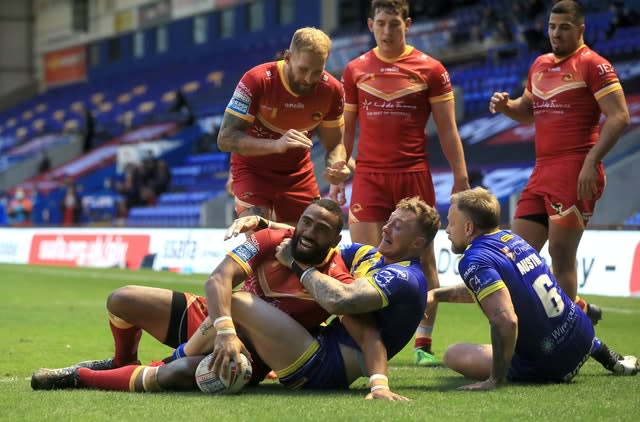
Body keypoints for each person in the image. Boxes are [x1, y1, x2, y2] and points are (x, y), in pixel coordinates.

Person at [32, 197, 441, 400]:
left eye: (320, 230)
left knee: (178, 374)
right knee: (122, 298)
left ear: (334, 241)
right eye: (305, 222)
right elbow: (219, 278)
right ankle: (124, 361)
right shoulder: (271, 237)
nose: (308, 232)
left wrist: (379, 382)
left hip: (255, 349)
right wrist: (224, 326)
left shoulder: (337, 276)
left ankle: (81, 377)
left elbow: (358, 322)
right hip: (216, 323)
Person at [335, 0, 470, 366]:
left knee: (424, 261)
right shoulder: (355, 69)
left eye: (394, 23)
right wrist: (339, 170)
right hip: (369, 177)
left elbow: (447, 129)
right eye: (381, 23)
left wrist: (460, 176)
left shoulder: (431, 69)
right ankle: (370, 342)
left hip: (413, 175)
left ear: (407, 24)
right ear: (370, 24)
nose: (388, 30)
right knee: (363, 260)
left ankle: (423, 345)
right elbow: (346, 133)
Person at [488, 0, 631, 324]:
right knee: (515, 256)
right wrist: (507, 106)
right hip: (542, 170)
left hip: (575, 167)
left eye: (564, 27)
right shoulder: (539, 64)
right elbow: (527, 109)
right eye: (552, 27)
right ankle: (576, 312)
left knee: (561, 257)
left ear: (580, 29)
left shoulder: (593, 64)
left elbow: (619, 117)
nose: (556, 33)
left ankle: (569, 337)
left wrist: (591, 162)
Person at [429, 187, 638, 390]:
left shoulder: (474, 259)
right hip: (584, 335)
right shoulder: (514, 239)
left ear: (468, 228)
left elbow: (507, 321)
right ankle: (604, 353)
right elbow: (485, 290)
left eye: (450, 223)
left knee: (453, 354)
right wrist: (436, 295)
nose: (447, 229)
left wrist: (495, 379)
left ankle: (517, 370)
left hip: (552, 363)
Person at [217, 27, 350, 225]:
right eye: (303, 70)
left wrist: (337, 166)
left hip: (298, 174)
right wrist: (276, 145)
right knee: (261, 242)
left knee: (306, 245)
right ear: (287, 57)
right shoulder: (257, 79)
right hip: (253, 171)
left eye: (317, 72)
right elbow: (225, 138)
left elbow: (335, 145)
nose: (308, 79)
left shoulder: (332, 90)